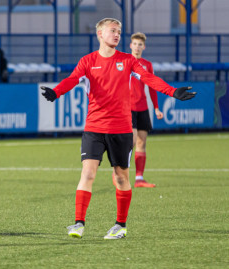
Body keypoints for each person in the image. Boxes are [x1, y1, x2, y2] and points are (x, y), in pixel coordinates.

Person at [40, 18, 196, 240]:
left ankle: (120, 226)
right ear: (100, 34)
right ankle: (78, 223)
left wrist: (171, 92)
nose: (117, 35)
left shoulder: (128, 61)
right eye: (112, 31)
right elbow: (73, 79)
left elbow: (148, 78)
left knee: (121, 177)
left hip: (121, 130)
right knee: (88, 172)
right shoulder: (87, 61)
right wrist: (56, 92)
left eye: (119, 32)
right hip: (94, 128)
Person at [130, 32, 164, 188]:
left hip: (142, 107)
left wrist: (156, 107)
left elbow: (152, 87)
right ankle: (118, 173)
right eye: (135, 44)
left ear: (144, 47)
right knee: (131, 141)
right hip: (127, 108)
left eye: (140, 44)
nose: (137, 47)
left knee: (142, 143)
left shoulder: (147, 65)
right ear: (131, 45)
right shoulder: (124, 62)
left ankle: (139, 179)